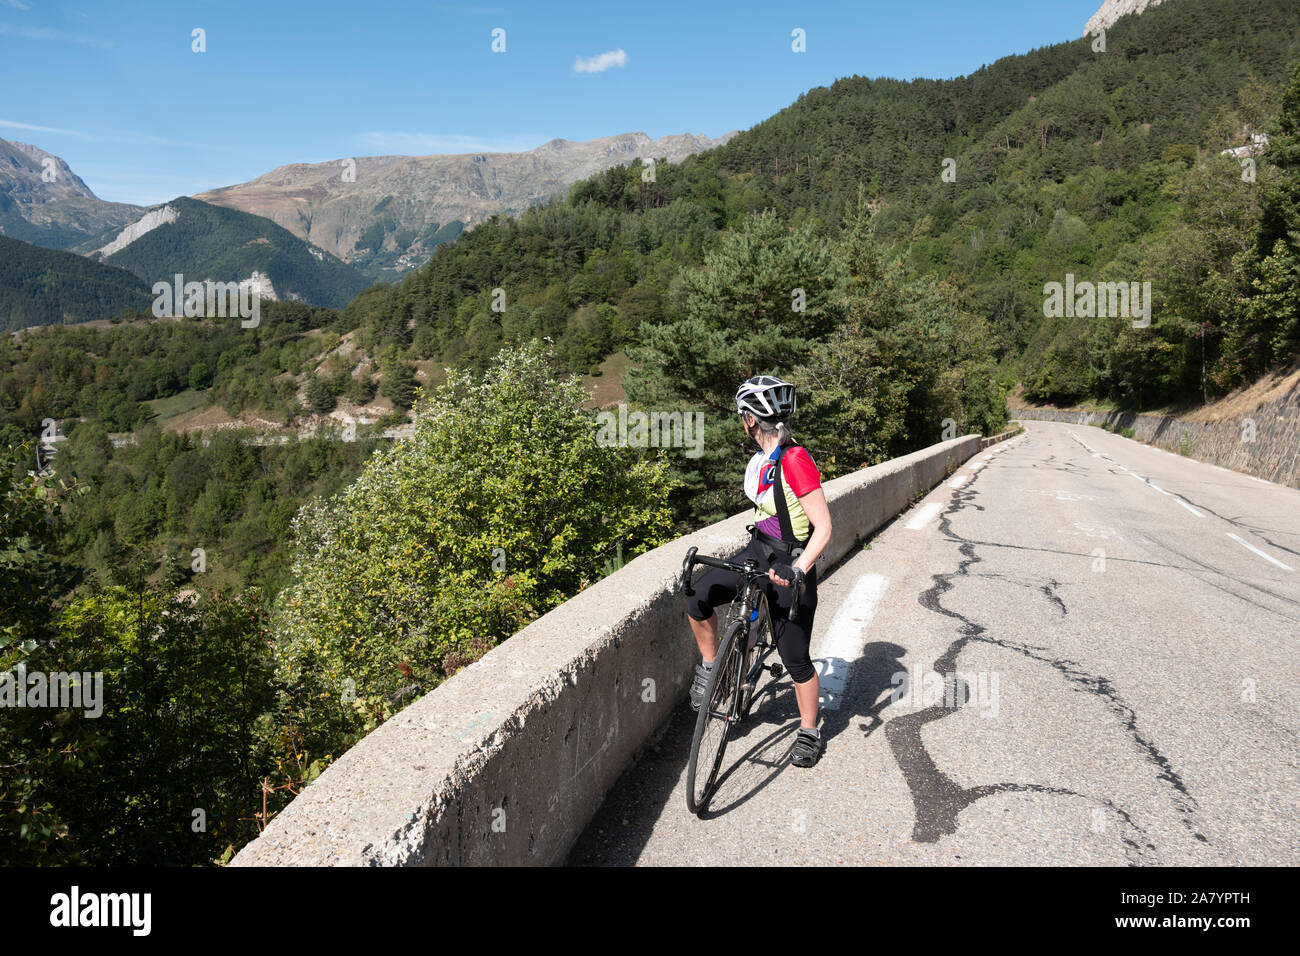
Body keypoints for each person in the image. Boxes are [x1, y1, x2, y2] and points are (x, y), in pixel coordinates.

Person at [684, 375, 833, 768]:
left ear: (750, 419)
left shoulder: (795, 460)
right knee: (697, 596)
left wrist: (799, 569)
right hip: (757, 551)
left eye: (741, 416)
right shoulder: (762, 459)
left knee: (795, 658)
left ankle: (809, 730)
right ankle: (713, 667)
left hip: (790, 562)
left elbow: (824, 527)